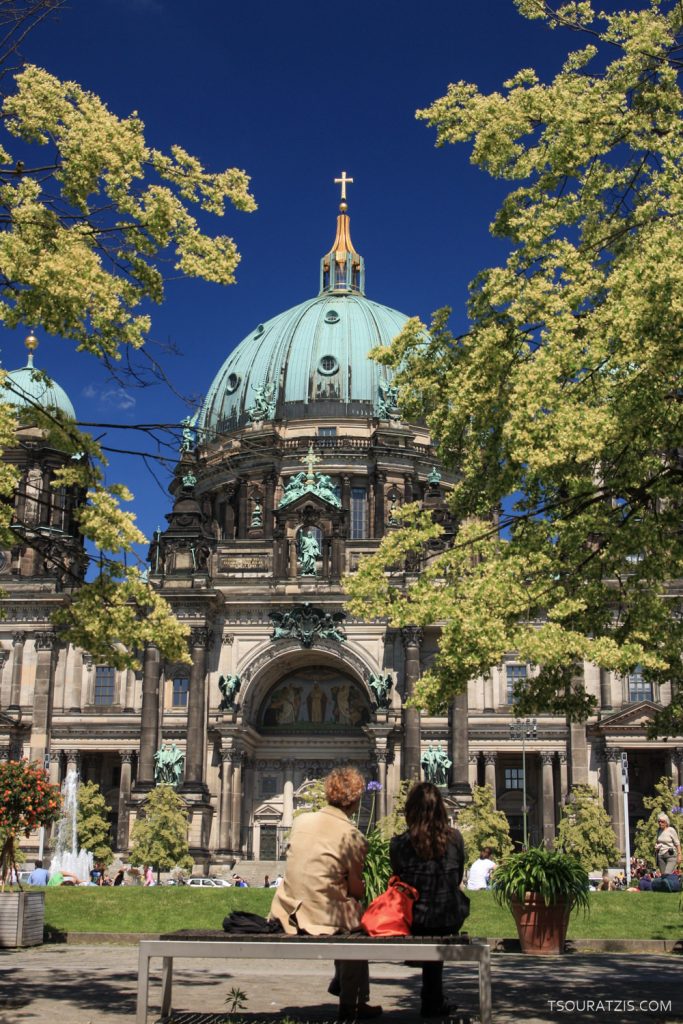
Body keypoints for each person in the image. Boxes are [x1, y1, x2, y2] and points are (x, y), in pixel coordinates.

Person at [269, 766, 381, 1021]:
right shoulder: (354, 836)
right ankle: (352, 1001)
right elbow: (355, 890)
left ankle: (346, 988)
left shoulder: (299, 821)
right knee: (355, 923)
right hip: (325, 917)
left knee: (343, 916)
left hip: (288, 913)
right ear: (355, 800)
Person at [389, 782, 466, 1019]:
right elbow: (457, 876)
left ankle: (432, 998)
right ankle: (433, 1000)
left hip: (412, 919)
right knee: (437, 916)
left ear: (410, 810)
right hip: (448, 917)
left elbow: (398, 879)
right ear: (442, 810)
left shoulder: (399, 843)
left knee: (424, 915)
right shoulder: (455, 839)